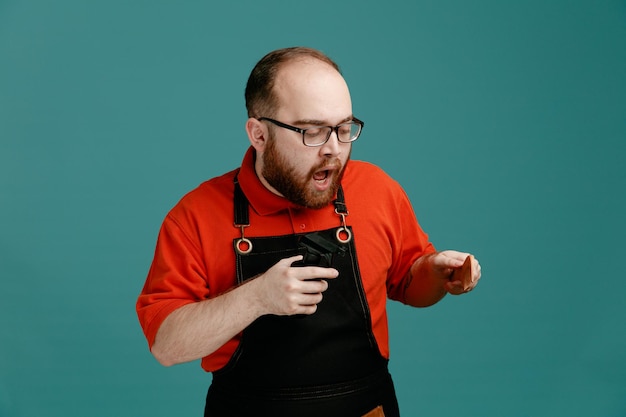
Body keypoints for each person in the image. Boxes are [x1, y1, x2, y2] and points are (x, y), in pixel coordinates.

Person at [136, 46, 481, 417]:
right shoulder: (194, 216)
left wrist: (435, 271)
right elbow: (166, 345)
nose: (333, 149)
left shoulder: (378, 189)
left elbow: (409, 283)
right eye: (313, 132)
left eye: (344, 128)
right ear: (259, 134)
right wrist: (256, 299)